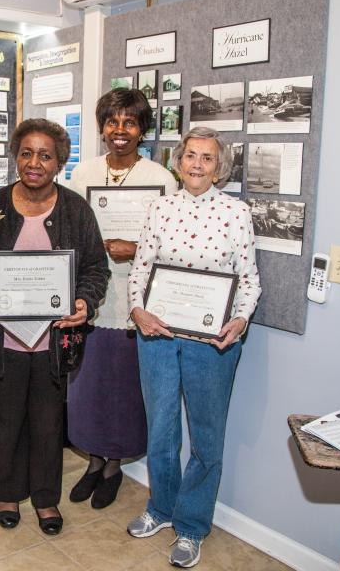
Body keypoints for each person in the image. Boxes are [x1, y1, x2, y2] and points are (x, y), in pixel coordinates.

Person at [0, 118, 109, 537]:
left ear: (59, 162)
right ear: (15, 156)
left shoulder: (76, 210)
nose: (34, 162)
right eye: (26, 153)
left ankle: (46, 500)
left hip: (54, 341)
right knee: (6, 422)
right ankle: (7, 494)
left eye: (45, 155)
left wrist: (85, 300)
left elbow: (96, 268)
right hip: (5, 339)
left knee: (48, 425)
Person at [125, 126, 261, 568]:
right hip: (159, 336)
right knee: (160, 431)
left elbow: (250, 279)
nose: (197, 164)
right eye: (190, 155)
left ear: (218, 166)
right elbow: (141, 269)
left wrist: (240, 321)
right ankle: (162, 509)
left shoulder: (235, 213)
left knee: (207, 438)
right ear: (178, 161)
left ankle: (191, 525)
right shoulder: (160, 208)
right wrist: (137, 311)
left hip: (212, 343)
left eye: (206, 157)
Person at [65, 89, 177, 509]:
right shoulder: (83, 173)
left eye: (129, 122)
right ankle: (93, 462)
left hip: (135, 300)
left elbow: (171, 244)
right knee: (89, 387)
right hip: (91, 296)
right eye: (112, 121)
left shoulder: (161, 179)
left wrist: (136, 247)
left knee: (126, 389)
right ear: (101, 127)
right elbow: (70, 229)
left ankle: (114, 466)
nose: (119, 130)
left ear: (142, 129)